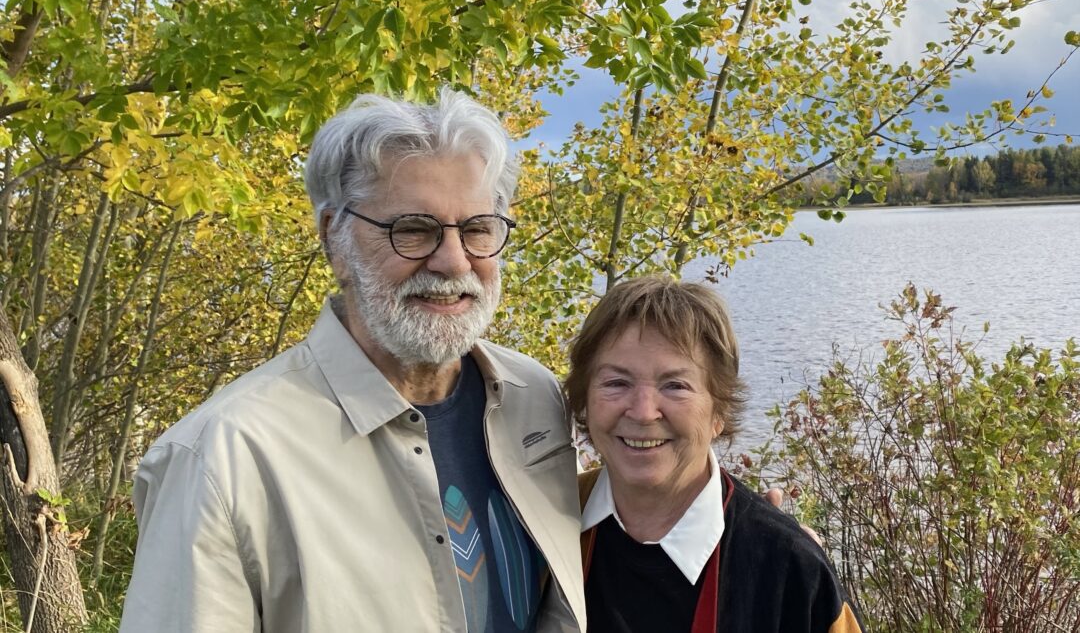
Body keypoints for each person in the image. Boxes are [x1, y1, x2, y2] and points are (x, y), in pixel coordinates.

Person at [119, 90, 585, 632]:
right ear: (332, 236)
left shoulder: (535, 397)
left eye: (478, 229)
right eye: (412, 229)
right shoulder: (225, 456)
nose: (454, 261)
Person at [563, 275, 865, 632]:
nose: (644, 412)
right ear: (584, 399)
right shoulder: (545, 518)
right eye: (616, 383)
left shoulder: (788, 569)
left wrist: (783, 547)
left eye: (675, 385)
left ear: (719, 411)